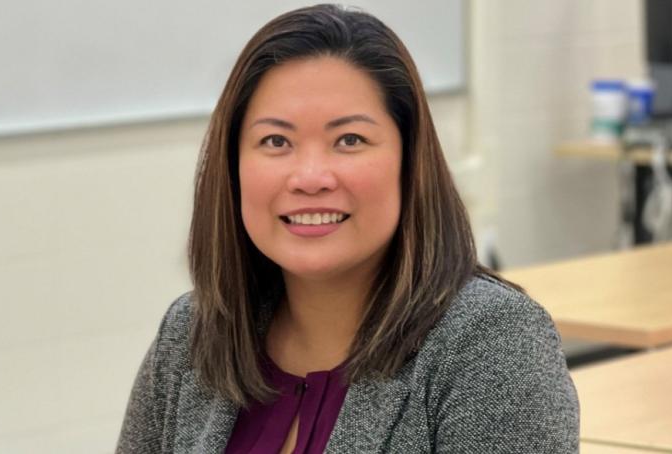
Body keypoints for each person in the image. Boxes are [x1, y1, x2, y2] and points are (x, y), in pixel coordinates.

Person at [116, 4, 579, 453]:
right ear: (233, 167)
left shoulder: (490, 343)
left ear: (409, 161)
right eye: (276, 141)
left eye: (349, 140)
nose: (311, 177)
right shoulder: (194, 332)